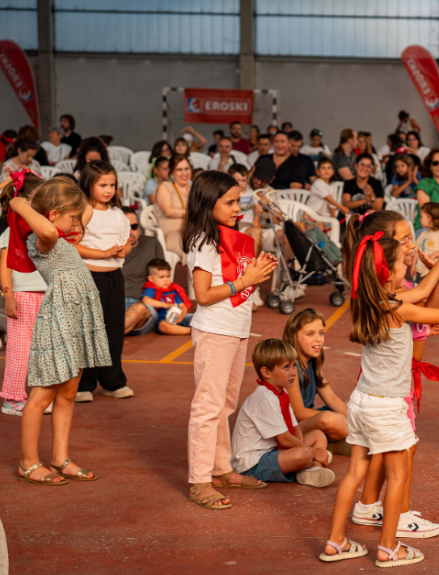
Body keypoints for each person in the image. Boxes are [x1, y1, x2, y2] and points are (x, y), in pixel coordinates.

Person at [320, 233, 439, 566]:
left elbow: (419, 292)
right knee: (398, 475)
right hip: (387, 407)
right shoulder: (398, 309)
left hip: (361, 401)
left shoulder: (370, 299)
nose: (409, 267)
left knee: (354, 473)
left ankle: (335, 542)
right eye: (404, 264)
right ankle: (389, 547)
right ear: (387, 273)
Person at [183, 171, 278, 510]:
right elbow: (204, 295)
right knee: (208, 407)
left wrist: (254, 271)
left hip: (236, 329)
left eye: (239, 200)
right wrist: (246, 279)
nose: (238, 207)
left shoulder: (227, 237)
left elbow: (236, 280)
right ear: (208, 204)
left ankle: (221, 468)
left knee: (224, 403)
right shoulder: (202, 241)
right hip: (216, 329)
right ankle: (199, 480)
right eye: (230, 202)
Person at [12, 176, 110, 485]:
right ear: (52, 215)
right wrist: (19, 203)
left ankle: (60, 457)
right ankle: (28, 462)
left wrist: (74, 209)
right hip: (58, 321)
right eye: (70, 217)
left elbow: (84, 211)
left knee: (68, 392)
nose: (76, 224)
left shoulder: (62, 236)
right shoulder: (46, 239)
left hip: (76, 320)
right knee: (43, 395)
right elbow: (46, 227)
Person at [232, 338, 335, 489]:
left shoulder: (281, 392)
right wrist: (312, 452)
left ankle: (313, 469)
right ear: (266, 372)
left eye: (294, 365)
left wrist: (306, 449)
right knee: (304, 455)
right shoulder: (264, 397)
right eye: (286, 367)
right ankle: (311, 463)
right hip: (253, 463)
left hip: (273, 451)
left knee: (318, 435)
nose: (293, 372)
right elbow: (285, 439)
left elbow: (295, 428)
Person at [72, 161, 133, 403]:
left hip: (114, 277)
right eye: (102, 185)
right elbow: (73, 244)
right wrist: (104, 253)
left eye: (112, 185)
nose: (109, 190)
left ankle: (113, 381)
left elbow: (126, 240)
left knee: (113, 331)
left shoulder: (118, 214)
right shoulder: (84, 211)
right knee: (88, 331)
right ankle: (84, 383)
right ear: (88, 184)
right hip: (90, 276)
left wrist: (123, 250)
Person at [0, 171, 48, 415]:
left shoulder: (45, 229)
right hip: (22, 295)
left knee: (46, 347)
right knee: (20, 349)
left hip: (47, 294)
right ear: (23, 202)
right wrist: (8, 296)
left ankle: (40, 398)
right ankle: (12, 399)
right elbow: (4, 267)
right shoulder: (10, 231)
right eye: (39, 199)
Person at [282, 309, 350, 445]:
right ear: (294, 336)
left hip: (310, 417)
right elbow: (298, 412)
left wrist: (353, 418)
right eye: (310, 334)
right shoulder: (291, 367)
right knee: (329, 419)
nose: (318, 339)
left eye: (321, 333)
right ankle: (352, 438)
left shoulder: (312, 362)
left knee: (353, 404)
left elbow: (331, 398)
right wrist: (339, 417)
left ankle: (344, 432)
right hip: (291, 426)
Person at [121, 207, 163, 336]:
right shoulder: (108, 249)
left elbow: (163, 277)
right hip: (114, 304)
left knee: (138, 310)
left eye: (134, 226)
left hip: (141, 304)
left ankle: (103, 340)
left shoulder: (151, 244)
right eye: (125, 227)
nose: (130, 231)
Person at [155, 155, 192, 260]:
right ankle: (193, 276)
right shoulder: (165, 187)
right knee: (191, 247)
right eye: (179, 169)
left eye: (187, 168)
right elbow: (168, 211)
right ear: (171, 172)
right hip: (171, 234)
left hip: (192, 231)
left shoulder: (194, 188)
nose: (184, 173)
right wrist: (193, 212)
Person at [141, 258, 192, 334]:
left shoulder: (173, 289)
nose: (166, 280)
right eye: (161, 277)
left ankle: (193, 328)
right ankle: (191, 331)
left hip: (179, 317)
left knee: (196, 317)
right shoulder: (151, 289)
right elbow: (145, 300)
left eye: (168, 276)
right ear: (151, 279)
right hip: (164, 319)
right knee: (163, 326)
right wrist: (165, 305)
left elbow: (182, 306)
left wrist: (182, 316)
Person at [415, 203, 439, 280]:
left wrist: (434, 255)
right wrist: (413, 265)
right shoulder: (423, 234)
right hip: (421, 272)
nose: (420, 219)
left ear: (429, 218)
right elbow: (417, 250)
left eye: (421, 216)